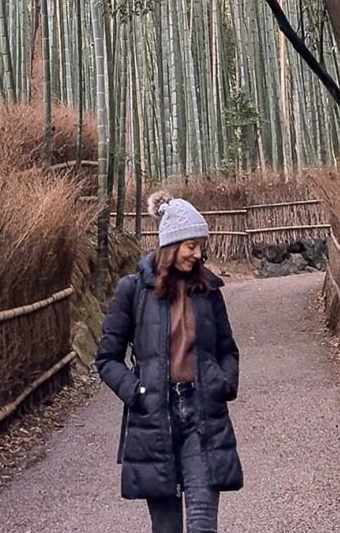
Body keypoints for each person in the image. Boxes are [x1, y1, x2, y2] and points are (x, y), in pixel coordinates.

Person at [95, 190, 243, 533]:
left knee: (203, 522)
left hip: (203, 415)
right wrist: (137, 392)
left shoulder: (208, 291)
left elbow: (228, 349)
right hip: (153, 420)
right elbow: (107, 359)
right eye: (191, 245)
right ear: (171, 243)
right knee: (167, 528)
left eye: (200, 245)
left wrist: (224, 382)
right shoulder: (132, 291)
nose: (198, 253)